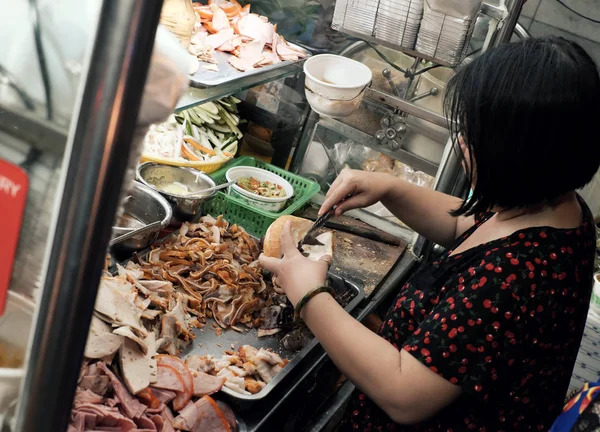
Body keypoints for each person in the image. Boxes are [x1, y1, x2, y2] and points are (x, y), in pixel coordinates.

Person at [260, 36, 600, 431]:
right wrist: (391, 189)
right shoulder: (555, 204)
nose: (461, 143)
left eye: (474, 139)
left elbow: (404, 393)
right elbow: (467, 227)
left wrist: (309, 296)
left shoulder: (518, 275)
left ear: (520, 156)